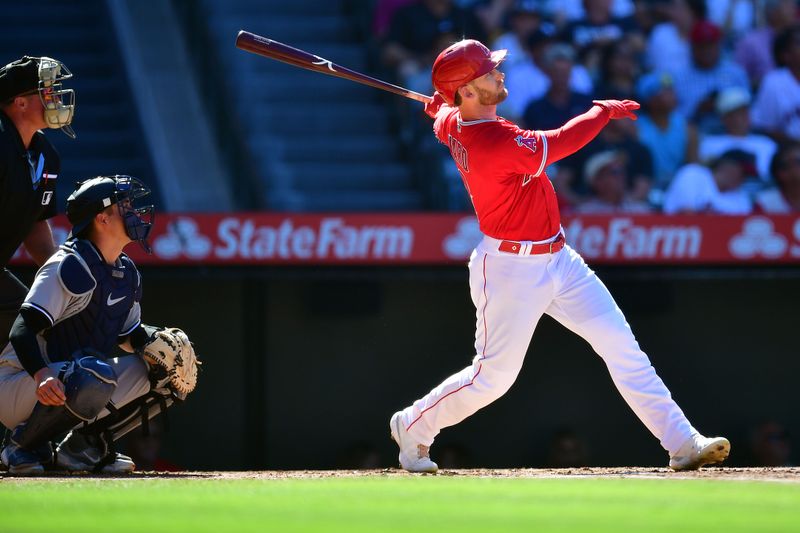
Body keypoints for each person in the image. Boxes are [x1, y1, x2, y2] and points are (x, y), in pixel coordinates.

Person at [389, 39, 730, 473]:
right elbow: (563, 141)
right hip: (511, 269)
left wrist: (441, 109)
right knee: (493, 377)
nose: (500, 74)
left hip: (559, 258)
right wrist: (601, 112)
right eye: (489, 72)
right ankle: (413, 426)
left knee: (622, 347)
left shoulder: (453, 122)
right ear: (469, 91)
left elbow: (445, 116)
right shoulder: (494, 141)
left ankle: (683, 442)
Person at [0, 175, 196, 474]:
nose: (133, 211)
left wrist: (159, 341)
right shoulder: (69, 264)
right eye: (124, 205)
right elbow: (22, 329)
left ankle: (83, 446)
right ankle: (21, 445)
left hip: (73, 377)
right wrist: (41, 376)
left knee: (169, 371)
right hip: (19, 382)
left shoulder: (126, 271)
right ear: (102, 218)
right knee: (94, 372)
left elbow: (129, 334)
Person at [0, 55, 76, 350]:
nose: (55, 98)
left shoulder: (45, 153)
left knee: (32, 327)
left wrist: (58, 274)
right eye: (46, 91)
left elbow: (35, 223)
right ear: (19, 102)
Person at [662, 149, 755, 214]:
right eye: (742, 173)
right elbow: (684, 214)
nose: (743, 179)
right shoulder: (693, 174)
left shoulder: (741, 198)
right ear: (726, 166)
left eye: (746, 176)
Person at [574, 150, 652, 213]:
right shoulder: (583, 213)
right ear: (597, 181)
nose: (621, 176)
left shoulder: (641, 211)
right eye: (615, 172)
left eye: (622, 170)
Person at [755, 142, 800, 212]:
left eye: (798, 162)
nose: (794, 169)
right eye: (785, 166)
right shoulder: (766, 202)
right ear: (778, 173)